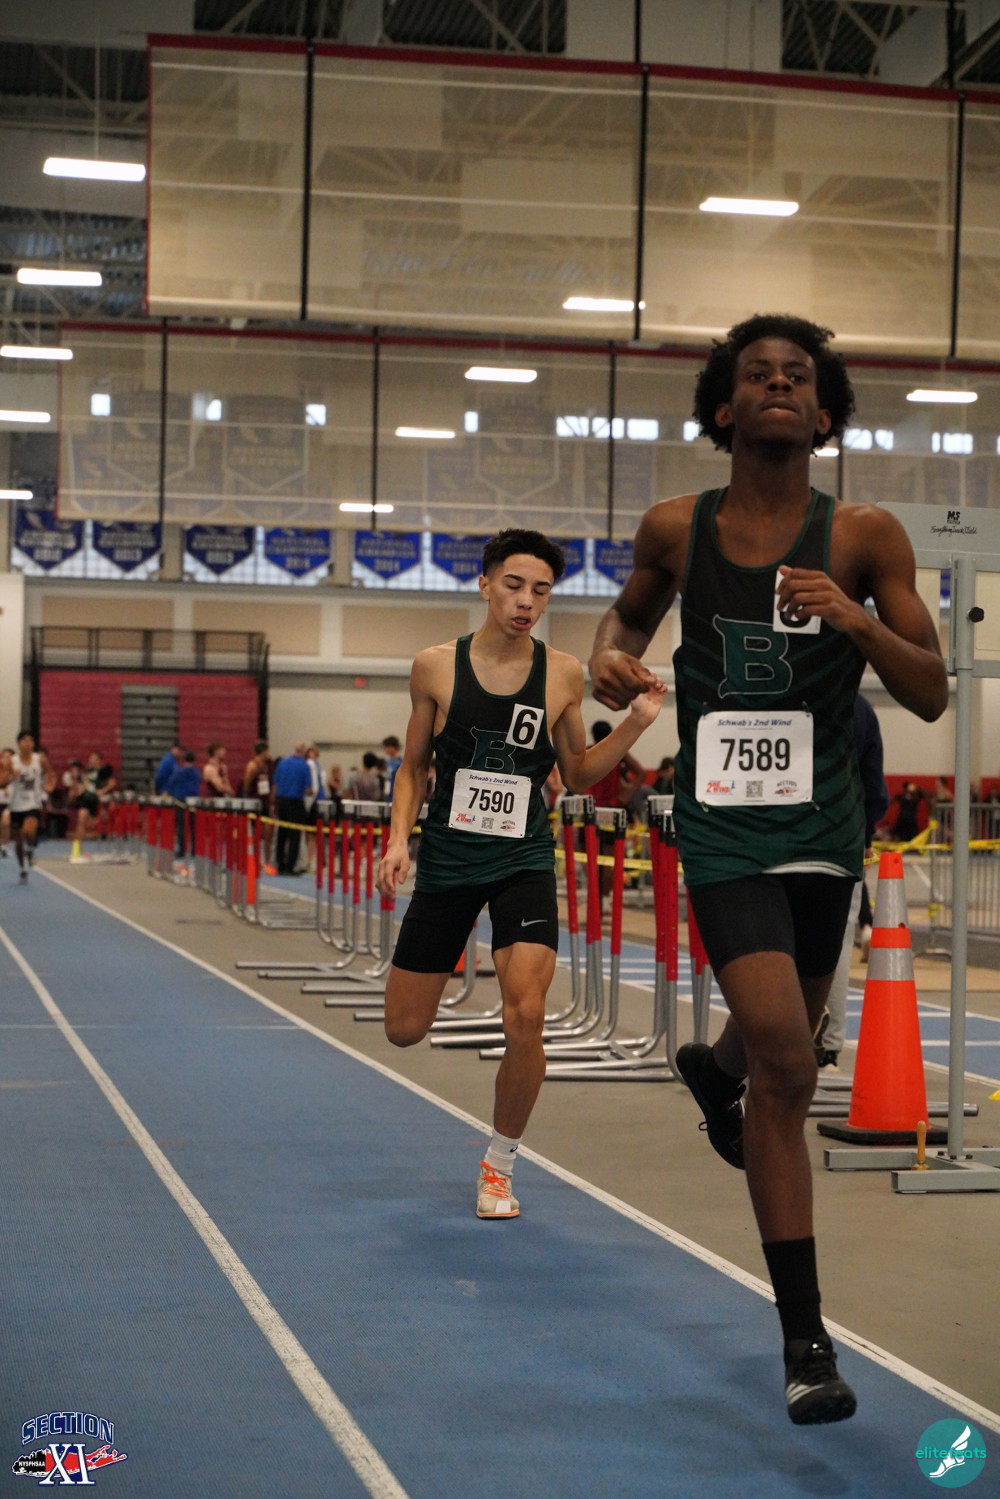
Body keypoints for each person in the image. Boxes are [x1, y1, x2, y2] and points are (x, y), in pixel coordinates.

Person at [588, 313, 947, 1425]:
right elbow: (619, 634)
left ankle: (713, 1071)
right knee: (789, 1065)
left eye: (798, 375)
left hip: (825, 829)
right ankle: (805, 1341)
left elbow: (931, 689)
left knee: (780, 1035)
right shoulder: (673, 527)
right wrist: (610, 665)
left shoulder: (866, 536)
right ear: (724, 407)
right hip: (725, 830)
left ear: (824, 412)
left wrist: (854, 619)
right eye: (758, 374)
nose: (779, 385)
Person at [377, 527, 664, 1222]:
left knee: (527, 1011)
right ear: (485, 585)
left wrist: (635, 723)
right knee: (403, 1028)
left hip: (522, 857)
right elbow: (414, 767)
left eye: (541, 590)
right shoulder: (434, 667)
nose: (526, 601)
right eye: (513, 585)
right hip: (449, 859)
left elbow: (578, 775)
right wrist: (397, 840)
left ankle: (499, 1165)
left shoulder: (562, 674)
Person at [814, 695, 889, 1070]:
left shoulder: (779, 693)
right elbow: (873, 786)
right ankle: (829, 1043)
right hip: (845, 837)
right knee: (838, 940)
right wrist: (866, 832)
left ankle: (785, 1036)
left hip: (778, 838)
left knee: (777, 939)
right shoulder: (860, 708)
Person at [0, 731, 55, 882]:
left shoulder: (39, 760)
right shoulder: (11, 762)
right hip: (16, 804)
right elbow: (1, 783)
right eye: (24, 740)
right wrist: (12, 777)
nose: (28, 743)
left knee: (28, 830)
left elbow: (51, 774)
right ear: (19, 744)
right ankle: (23, 868)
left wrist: (49, 786)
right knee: (18, 842)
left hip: (33, 802)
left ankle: (30, 849)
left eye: (30, 740)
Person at [272, 743, 312, 875]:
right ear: (303, 752)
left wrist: (274, 802)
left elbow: (275, 784)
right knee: (295, 835)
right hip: (295, 802)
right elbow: (308, 789)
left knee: (282, 833)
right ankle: (290, 866)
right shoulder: (304, 766)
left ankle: (280, 864)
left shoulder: (282, 763)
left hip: (281, 801)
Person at [168, 750, 202, 860]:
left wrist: (171, 794)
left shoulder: (179, 772)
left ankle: (182, 850)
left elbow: (171, 783)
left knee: (181, 826)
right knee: (194, 826)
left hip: (180, 800)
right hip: (194, 801)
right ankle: (194, 850)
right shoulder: (197, 773)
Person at [75, 751, 116, 840]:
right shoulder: (88, 770)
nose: (91, 760)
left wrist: (102, 790)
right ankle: (76, 845)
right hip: (87, 799)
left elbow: (112, 783)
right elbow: (85, 783)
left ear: (99, 761)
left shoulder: (104, 771)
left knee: (94, 823)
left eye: (94, 759)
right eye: (90, 758)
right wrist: (82, 789)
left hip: (98, 800)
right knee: (81, 819)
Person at [380, 735, 403, 800]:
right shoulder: (387, 762)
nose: (385, 749)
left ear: (392, 747)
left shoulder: (400, 763)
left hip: (396, 793)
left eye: (386, 747)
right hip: (388, 793)